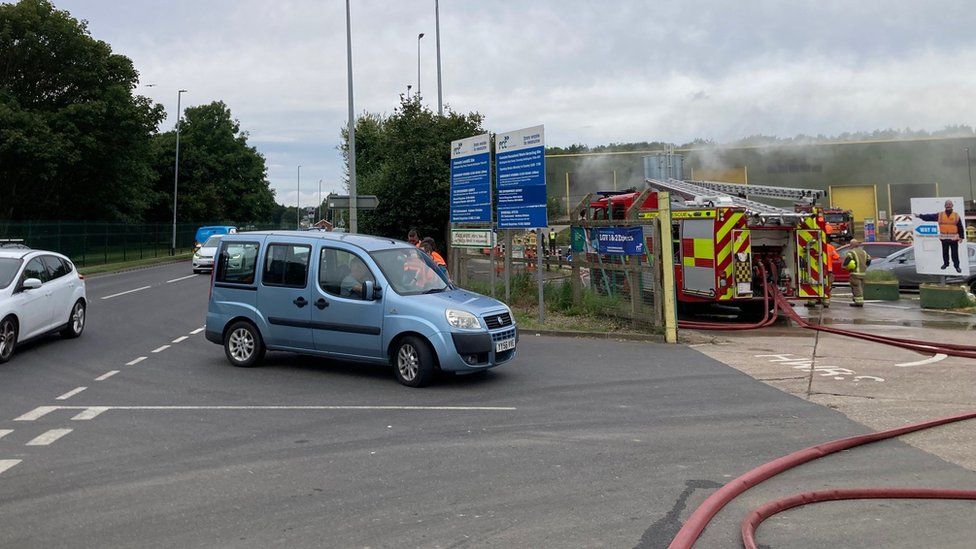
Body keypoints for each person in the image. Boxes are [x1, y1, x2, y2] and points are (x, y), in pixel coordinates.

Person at [915, 200, 965, 273]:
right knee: (945, 252)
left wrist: (961, 237)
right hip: (944, 238)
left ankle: (957, 266)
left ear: (952, 206)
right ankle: (946, 264)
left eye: (949, 204)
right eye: (947, 204)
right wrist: (920, 216)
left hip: (953, 239)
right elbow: (929, 217)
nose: (948, 205)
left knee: (955, 253)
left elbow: (960, 226)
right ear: (945, 206)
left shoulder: (956, 215)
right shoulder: (940, 215)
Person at [843, 239, 870, 307]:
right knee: (860, 288)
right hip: (863, 274)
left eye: (850, 244)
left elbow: (847, 260)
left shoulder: (851, 252)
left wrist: (845, 266)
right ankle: (857, 300)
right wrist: (865, 266)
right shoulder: (864, 252)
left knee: (856, 288)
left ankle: (858, 302)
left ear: (852, 245)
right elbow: (869, 260)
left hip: (855, 274)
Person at [823, 242, 840, 308]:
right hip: (828, 269)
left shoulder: (815, 245)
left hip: (816, 269)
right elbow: (836, 257)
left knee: (815, 285)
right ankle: (826, 302)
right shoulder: (830, 247)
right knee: (827, 286)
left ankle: (812, 301)